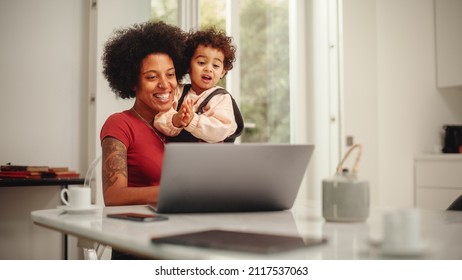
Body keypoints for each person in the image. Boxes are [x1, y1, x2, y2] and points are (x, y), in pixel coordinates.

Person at [100, 21, 187, 207]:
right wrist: (179, 191)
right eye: (152, 77)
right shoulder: (120, 124)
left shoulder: (182, 123)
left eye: (170, 75)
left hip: (180, 223)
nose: (165, 84)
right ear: (133, 82)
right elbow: (113, 196)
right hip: (136, 228)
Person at [154, 27, 243, 143]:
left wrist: (193, 120)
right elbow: (159, 118)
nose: (208, 69)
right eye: (201, 63)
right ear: (188, 66)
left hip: (209, 159)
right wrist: (176, 119)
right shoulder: (177, 91)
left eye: (215, 65)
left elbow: (221, 130)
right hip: (178, 156)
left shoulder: (221, 98)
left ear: (222, 72)